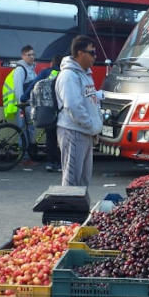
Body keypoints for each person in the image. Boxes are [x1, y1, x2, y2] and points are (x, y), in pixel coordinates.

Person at [56, 36, 103, 187]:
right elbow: (73, 106)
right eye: (92, 53)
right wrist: (90, 125)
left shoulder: (86, 74)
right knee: (72, 181)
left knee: (83, 180)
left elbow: (91, 101)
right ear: (80, 53)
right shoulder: (69, 75)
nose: (95, 57)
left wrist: (95, 125)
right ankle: (68, 210)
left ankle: (81, 210)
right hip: (73, 132)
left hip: (85, 132)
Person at [2, 45, 38, 165]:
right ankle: (24, 157)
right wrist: (22, 105)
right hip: (23, 106)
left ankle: (28, 156)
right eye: (29, 55)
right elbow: (18, 90)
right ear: (23, 56)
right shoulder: (20, 69)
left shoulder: (31, 69)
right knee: (23, 130)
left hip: (30, 105)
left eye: (33, 54)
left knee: (30, 130)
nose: (32, 57)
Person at [33, 54, 63, 172]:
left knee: (50, 137)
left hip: (48, 110)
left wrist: (24, 97)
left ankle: (50, 163)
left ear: (52, 63)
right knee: (61, 138)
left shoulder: (46, 72)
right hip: (61, 110)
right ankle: (60, 163)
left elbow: (34, 85)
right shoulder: (64, 75)